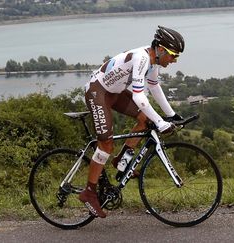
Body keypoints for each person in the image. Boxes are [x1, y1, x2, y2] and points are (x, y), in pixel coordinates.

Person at [79, 25, 185, 218]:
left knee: (145, 120)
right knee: (105, 145)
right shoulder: (142, 58)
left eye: (177, 57)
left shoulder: (153, 62)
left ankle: (122, 161)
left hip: (115, 92)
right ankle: (89, 192)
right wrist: (161, 122)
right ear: (160, 49)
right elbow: (139, 97)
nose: (174, 60)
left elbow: (153, 86)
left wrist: (171, 114)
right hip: (98, 92)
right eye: (172, 55)